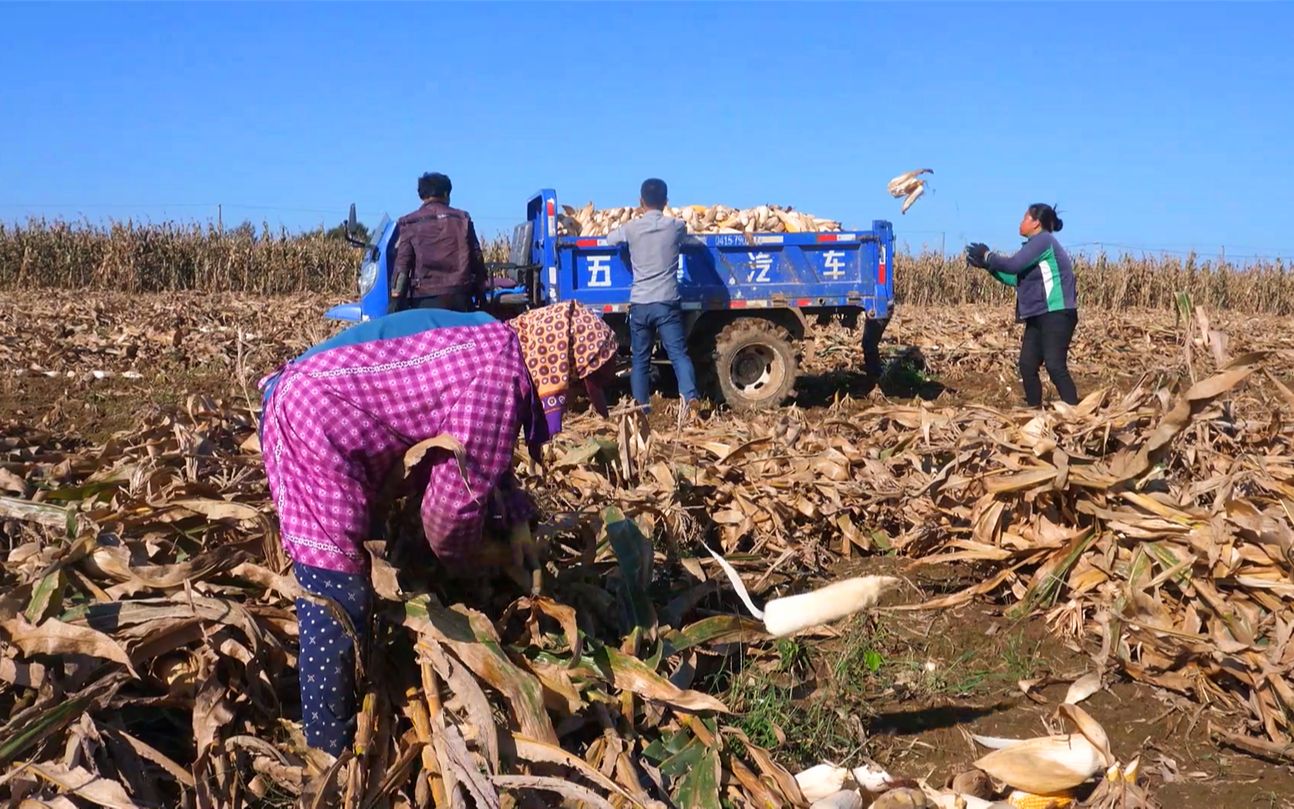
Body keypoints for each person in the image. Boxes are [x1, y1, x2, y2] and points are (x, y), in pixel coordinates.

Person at [257, 301, 618, 757]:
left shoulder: (500, 343)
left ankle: (359, 675)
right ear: (561, 366)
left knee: (361, 566)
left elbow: (483, 459)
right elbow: (447, 518)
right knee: (337, 586)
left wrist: (519, 524)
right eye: (580, 390)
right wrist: (479, 563)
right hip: (315, 419)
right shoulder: (499, 378)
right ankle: (329, 749)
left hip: (320, 403)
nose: (579, 402)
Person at [966, 203, 1079, 408]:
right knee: (1027, 365)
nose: (1021, 222)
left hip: (1057, 313)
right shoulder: (1033, 247)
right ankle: (1034, 410)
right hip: (1039, 314)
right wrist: (987, 266)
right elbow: (1014, 278)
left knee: (1055, 366)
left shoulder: (1043, 241)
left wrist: (987, 256)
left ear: (1036, 222)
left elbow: (1013, 265)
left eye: (1025, 217)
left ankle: (1075, 414)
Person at [605, 178, 701, 413]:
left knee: (640, 359)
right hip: (666, 302)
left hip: (640, 303)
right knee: (678, 354)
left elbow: (609, 239)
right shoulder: (675, 226)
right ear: (666, 202)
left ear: (640, 202)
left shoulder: (631, 229)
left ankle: (642, 407)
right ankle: (690, 397)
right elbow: (690, 240)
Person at [390, 172, 487, 313]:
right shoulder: (462, 219)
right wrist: (480, 291)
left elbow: (402, 266)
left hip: (424, 299)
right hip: (459, 296)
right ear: (446, 194)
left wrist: (395, 302)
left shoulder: (409, 222)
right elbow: (477, 258)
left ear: (422, 195)